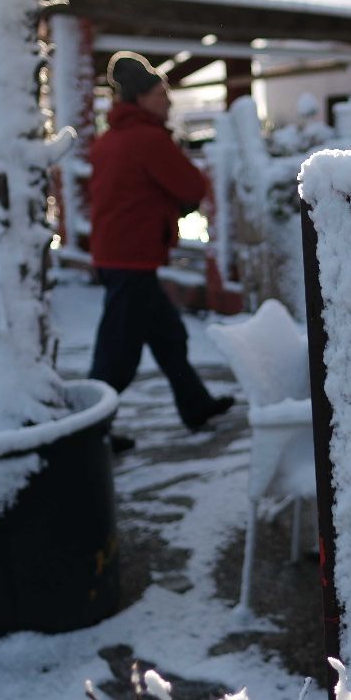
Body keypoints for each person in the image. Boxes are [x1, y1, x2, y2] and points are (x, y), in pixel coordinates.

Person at [88, 52, 234, 445]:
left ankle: (196, 404)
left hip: (116, 254)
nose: (167, 101)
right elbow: (191, 187)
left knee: (167, 336)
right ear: (140, 98)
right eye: (160, 93)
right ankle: (90, 431)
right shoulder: (147, 139)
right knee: (117, 354)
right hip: (132, 258)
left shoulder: (109, 140)